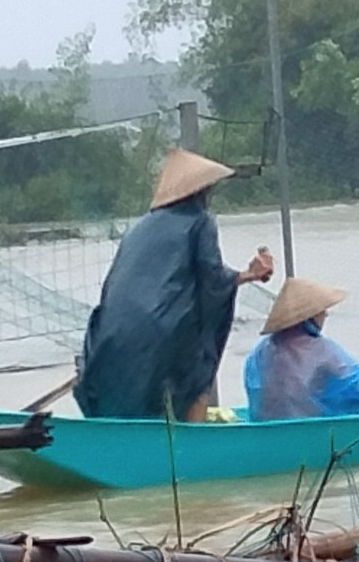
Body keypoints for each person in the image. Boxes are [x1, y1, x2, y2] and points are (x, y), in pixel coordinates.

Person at [74, 148, 274, 422]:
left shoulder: (138, 228)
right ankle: (192, 437)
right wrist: (247, 276)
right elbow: (213, 280)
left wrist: (243, 275)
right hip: (163, 328)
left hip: (110, 333)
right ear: (202, 191)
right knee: (201, 362)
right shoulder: (200, 222)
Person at [244, 277, 359, 421]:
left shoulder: (259, 351)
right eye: (321, 311)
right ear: (310, 316)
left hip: (267, 426)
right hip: (310, 425)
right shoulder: (321, 349)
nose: (325, 314)